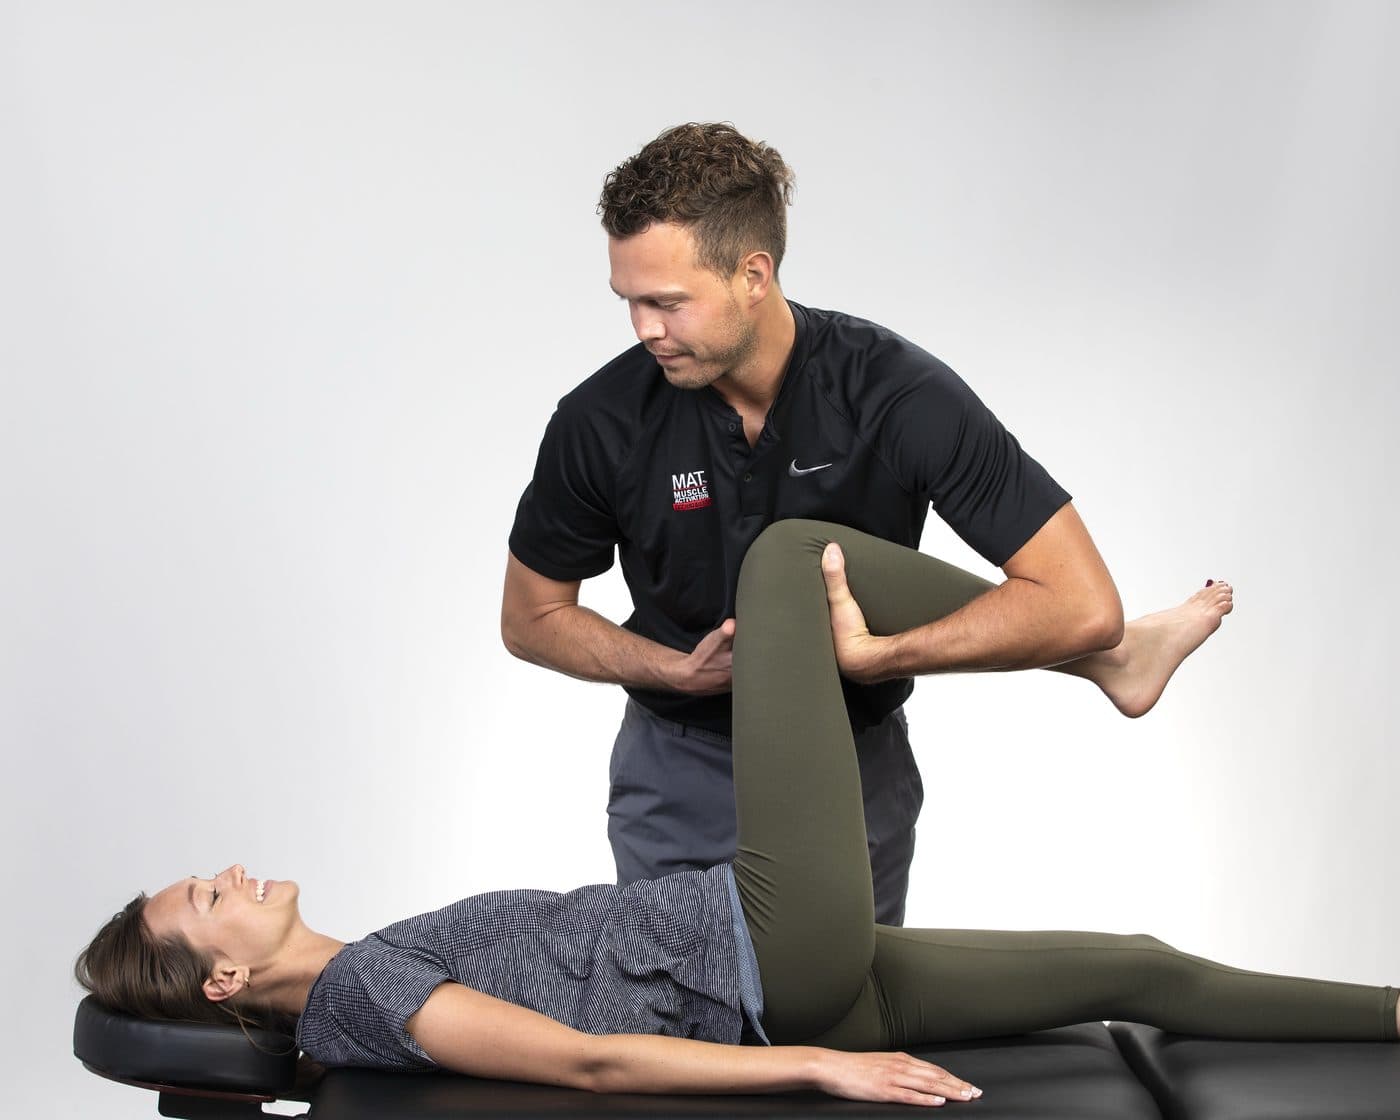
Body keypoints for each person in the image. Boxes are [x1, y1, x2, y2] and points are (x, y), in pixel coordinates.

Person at [80, 521, 1390, 1110]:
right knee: (784, 565)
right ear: (228, 977)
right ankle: (1097, 645)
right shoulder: (359, 993)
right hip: (766, 940)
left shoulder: (354, 1005)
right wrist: (813, 1069)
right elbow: (589, 1064)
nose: (232, 871)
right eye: (208, 895)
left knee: (1135, 970)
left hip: (786, 974)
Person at [503, 122, 1226, 925]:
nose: (643, 329)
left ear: (754, 274)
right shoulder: (600, 418)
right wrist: (669, 670)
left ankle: (1112, 661)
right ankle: (1113, 664)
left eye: (667, 302)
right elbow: (531, 618)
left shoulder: (893, 392)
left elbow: (1081, 604)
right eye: (629, 300)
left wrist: (883, 655)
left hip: (852, 763)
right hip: (683, 762)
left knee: (844, 1031)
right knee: (688, 1032)